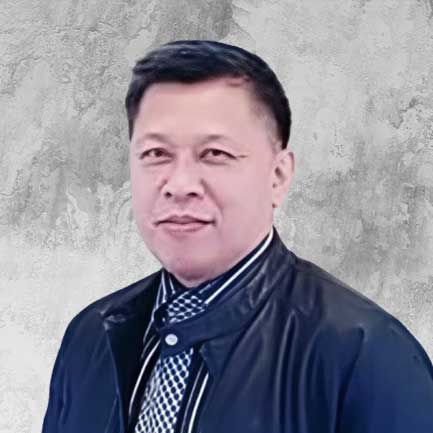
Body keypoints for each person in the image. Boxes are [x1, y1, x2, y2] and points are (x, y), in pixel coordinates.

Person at [42, 40, 433, 433]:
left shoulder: (369, 357)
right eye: (156, 154)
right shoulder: (90, 336)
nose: (179, 185)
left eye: (215, 154)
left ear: (278, 176)